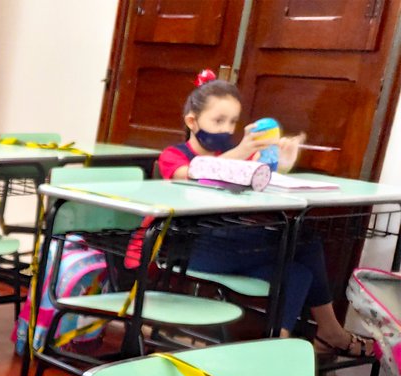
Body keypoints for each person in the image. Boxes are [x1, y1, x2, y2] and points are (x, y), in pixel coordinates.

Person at [157, 71, 373, 356]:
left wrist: (282, 164)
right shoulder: (173, 156)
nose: (226, 129)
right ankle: (328, 333)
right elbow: (196, 174)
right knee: (305, 241)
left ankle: (276, 346)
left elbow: (260, 179)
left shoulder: (235, 155)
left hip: (234, 245)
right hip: (192, 250)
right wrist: (242, 152)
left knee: (297, 273)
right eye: (218, 121)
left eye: (232, 122)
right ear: (192, 122)